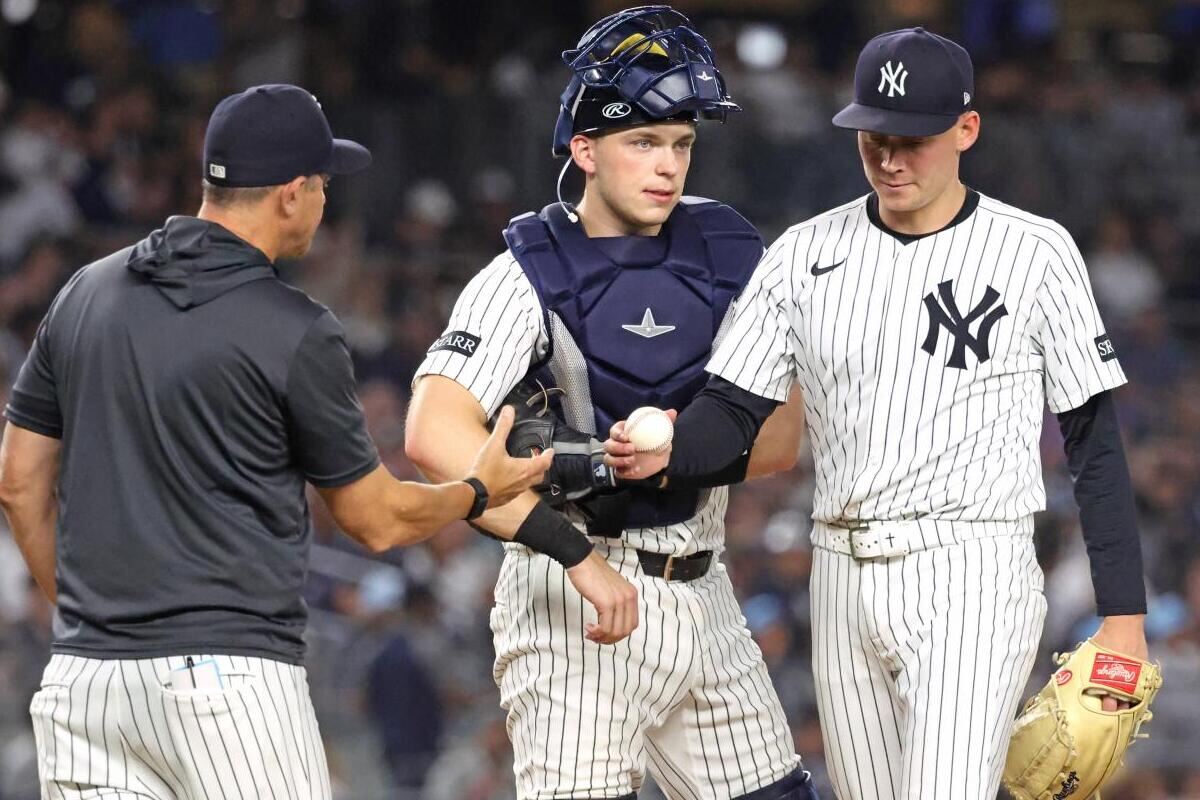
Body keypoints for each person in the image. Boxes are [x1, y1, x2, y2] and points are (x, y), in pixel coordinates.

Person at [606, 27, 1149, 800]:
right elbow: (732, 411)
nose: (890, 158)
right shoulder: (802, 253)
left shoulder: (1036, 251)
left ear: (966, 130)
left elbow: (1092, 439)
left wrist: (1124, 615)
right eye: (874, 139)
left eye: (912, 140)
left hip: (972, 564)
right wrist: (669, 450)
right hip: (840, 570)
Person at [0, 83, 551, 800]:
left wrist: (80, 615)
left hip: (85, 681)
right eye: (322, 183)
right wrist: (478, 489)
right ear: (290, 194)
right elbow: (375, 519)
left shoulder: (84, 293)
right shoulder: (294, 326)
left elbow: (16, 480)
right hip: (229, 682)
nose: (326, 200)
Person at [405, 7, 818, 799]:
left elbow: (778, 440)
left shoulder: (729, 254)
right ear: (585, 150)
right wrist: (576, 487)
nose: (667, 166)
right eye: (643, 142)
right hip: (576, 598)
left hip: (705, 587)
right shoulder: (526, 271)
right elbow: (433, 433)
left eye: (680, 144)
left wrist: (672, 448)